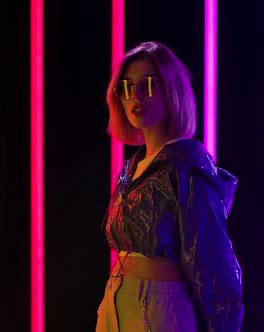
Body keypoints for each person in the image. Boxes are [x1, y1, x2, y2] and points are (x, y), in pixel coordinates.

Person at [96, 41, 243, 332]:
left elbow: (214, 262)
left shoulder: (186, 164)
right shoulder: (132, 167)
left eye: (148, 84)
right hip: (115, 302)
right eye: (126, 87)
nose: (135, 96)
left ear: (171, 89)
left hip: (158, 306)